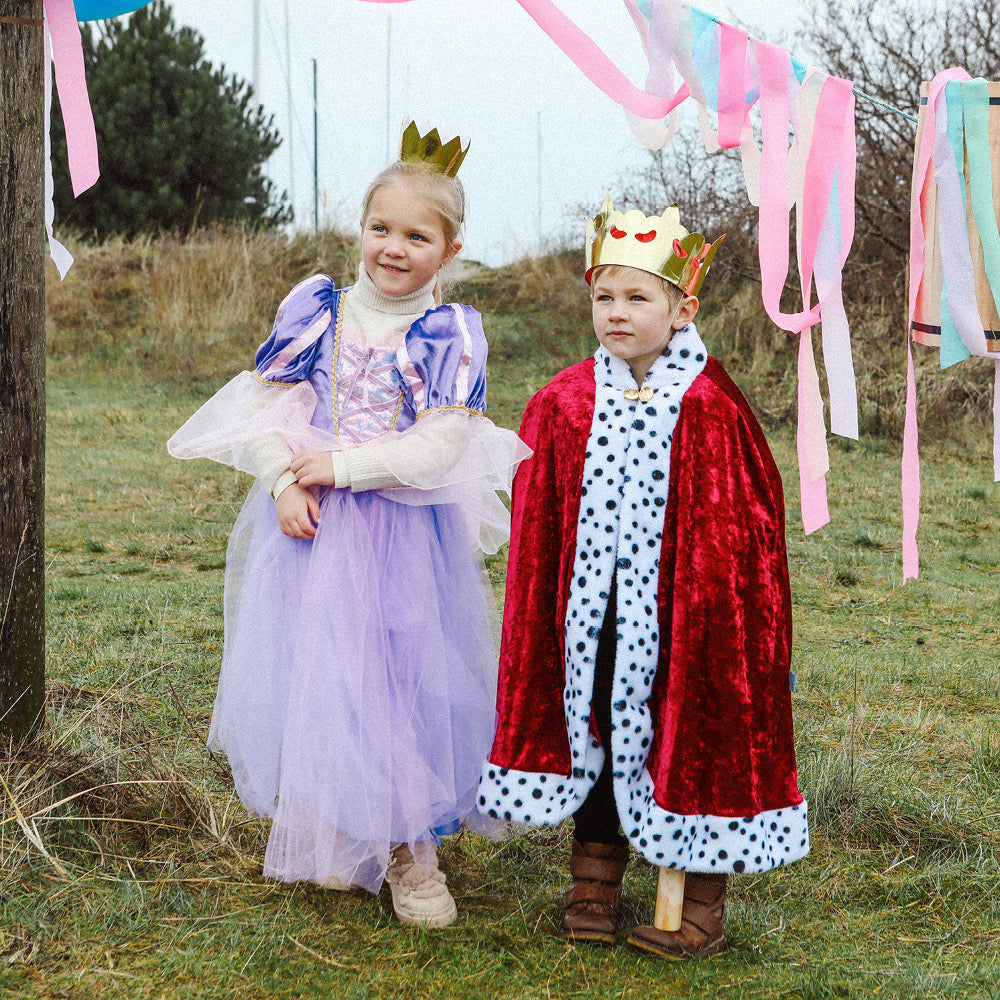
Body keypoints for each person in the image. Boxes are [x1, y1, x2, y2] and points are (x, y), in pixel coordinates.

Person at [169, 123, 528, 928]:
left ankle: (411, 852)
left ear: (450, 248)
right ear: (360, 229)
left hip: (401, 535)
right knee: (325, 672)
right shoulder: (319, 310)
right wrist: (282, 482)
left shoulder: (447, 333)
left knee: (397, 680)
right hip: (311, 528)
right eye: (381, 228)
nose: (394, 248)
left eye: (417, 237)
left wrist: (344, 466)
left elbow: (441, 444)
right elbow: (265, 410)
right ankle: (340, 827)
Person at [478, 195, 808, 957]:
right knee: (595, 727)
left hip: (687, 623)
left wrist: (707, 609)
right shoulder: (564, 402)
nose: (617, 313)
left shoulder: (710, 404)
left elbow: (742, 531)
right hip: (593, 620)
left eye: (637, 297)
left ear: (682, 309)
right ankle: (594, 877)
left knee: (694, 739)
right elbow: (540, 527)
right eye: (604, 297)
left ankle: (701, 901)